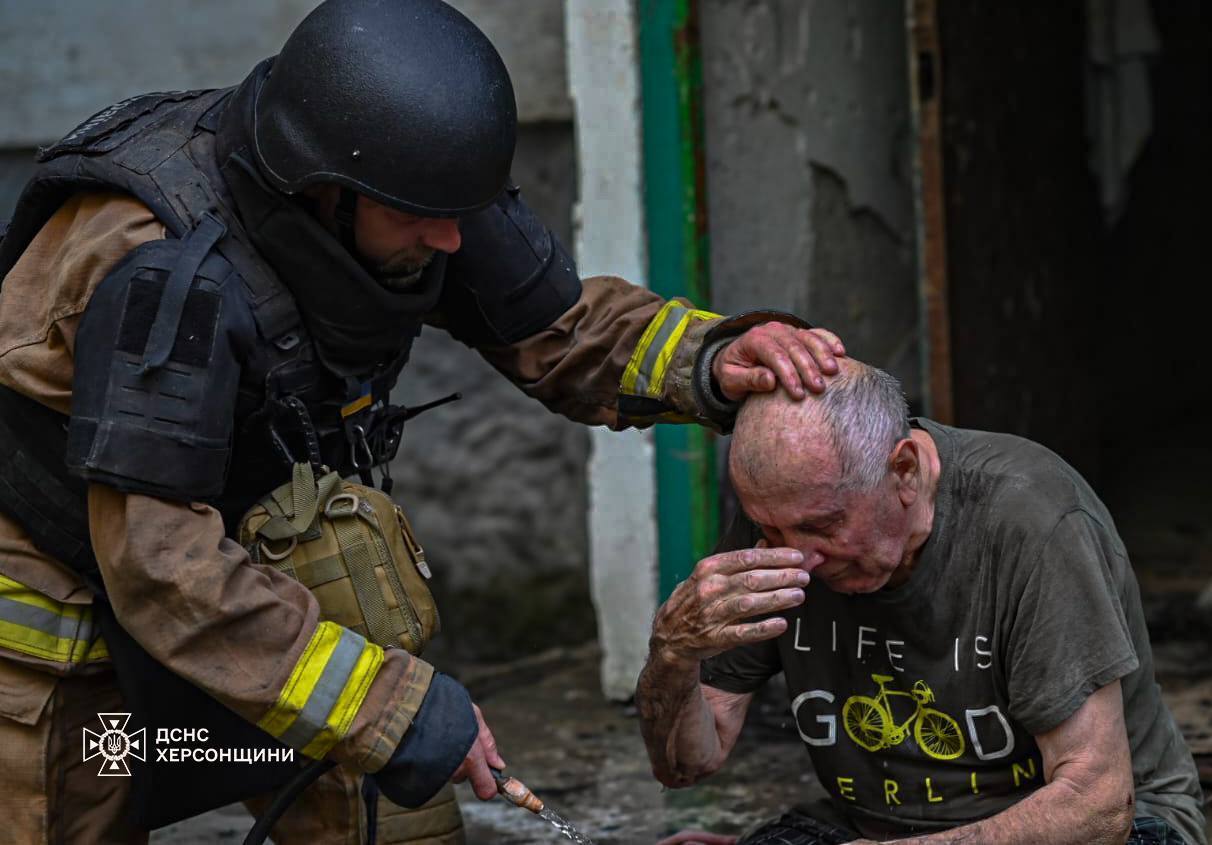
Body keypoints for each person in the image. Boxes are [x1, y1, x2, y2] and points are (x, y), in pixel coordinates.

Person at [0, 1, 848, 842]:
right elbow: (158, 565)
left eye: (459, 216)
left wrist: (710, 358)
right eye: (422, 220)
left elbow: (556, 329)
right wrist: (390, 702)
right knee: (90, 801)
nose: (452, 241)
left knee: (382, 807)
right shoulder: (161, 272)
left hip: (238, 565)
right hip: (64, 607)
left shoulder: (407, 181)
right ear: (326, 194)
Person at [637, 359, 1205, 845]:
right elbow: (686, 763)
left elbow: (1098, 807)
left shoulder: (1030, 521)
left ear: (904, 470)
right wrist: (672, 653)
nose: (800, 558)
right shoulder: (784, 521)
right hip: (869, 827)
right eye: (769, 528)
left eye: (824, 526)